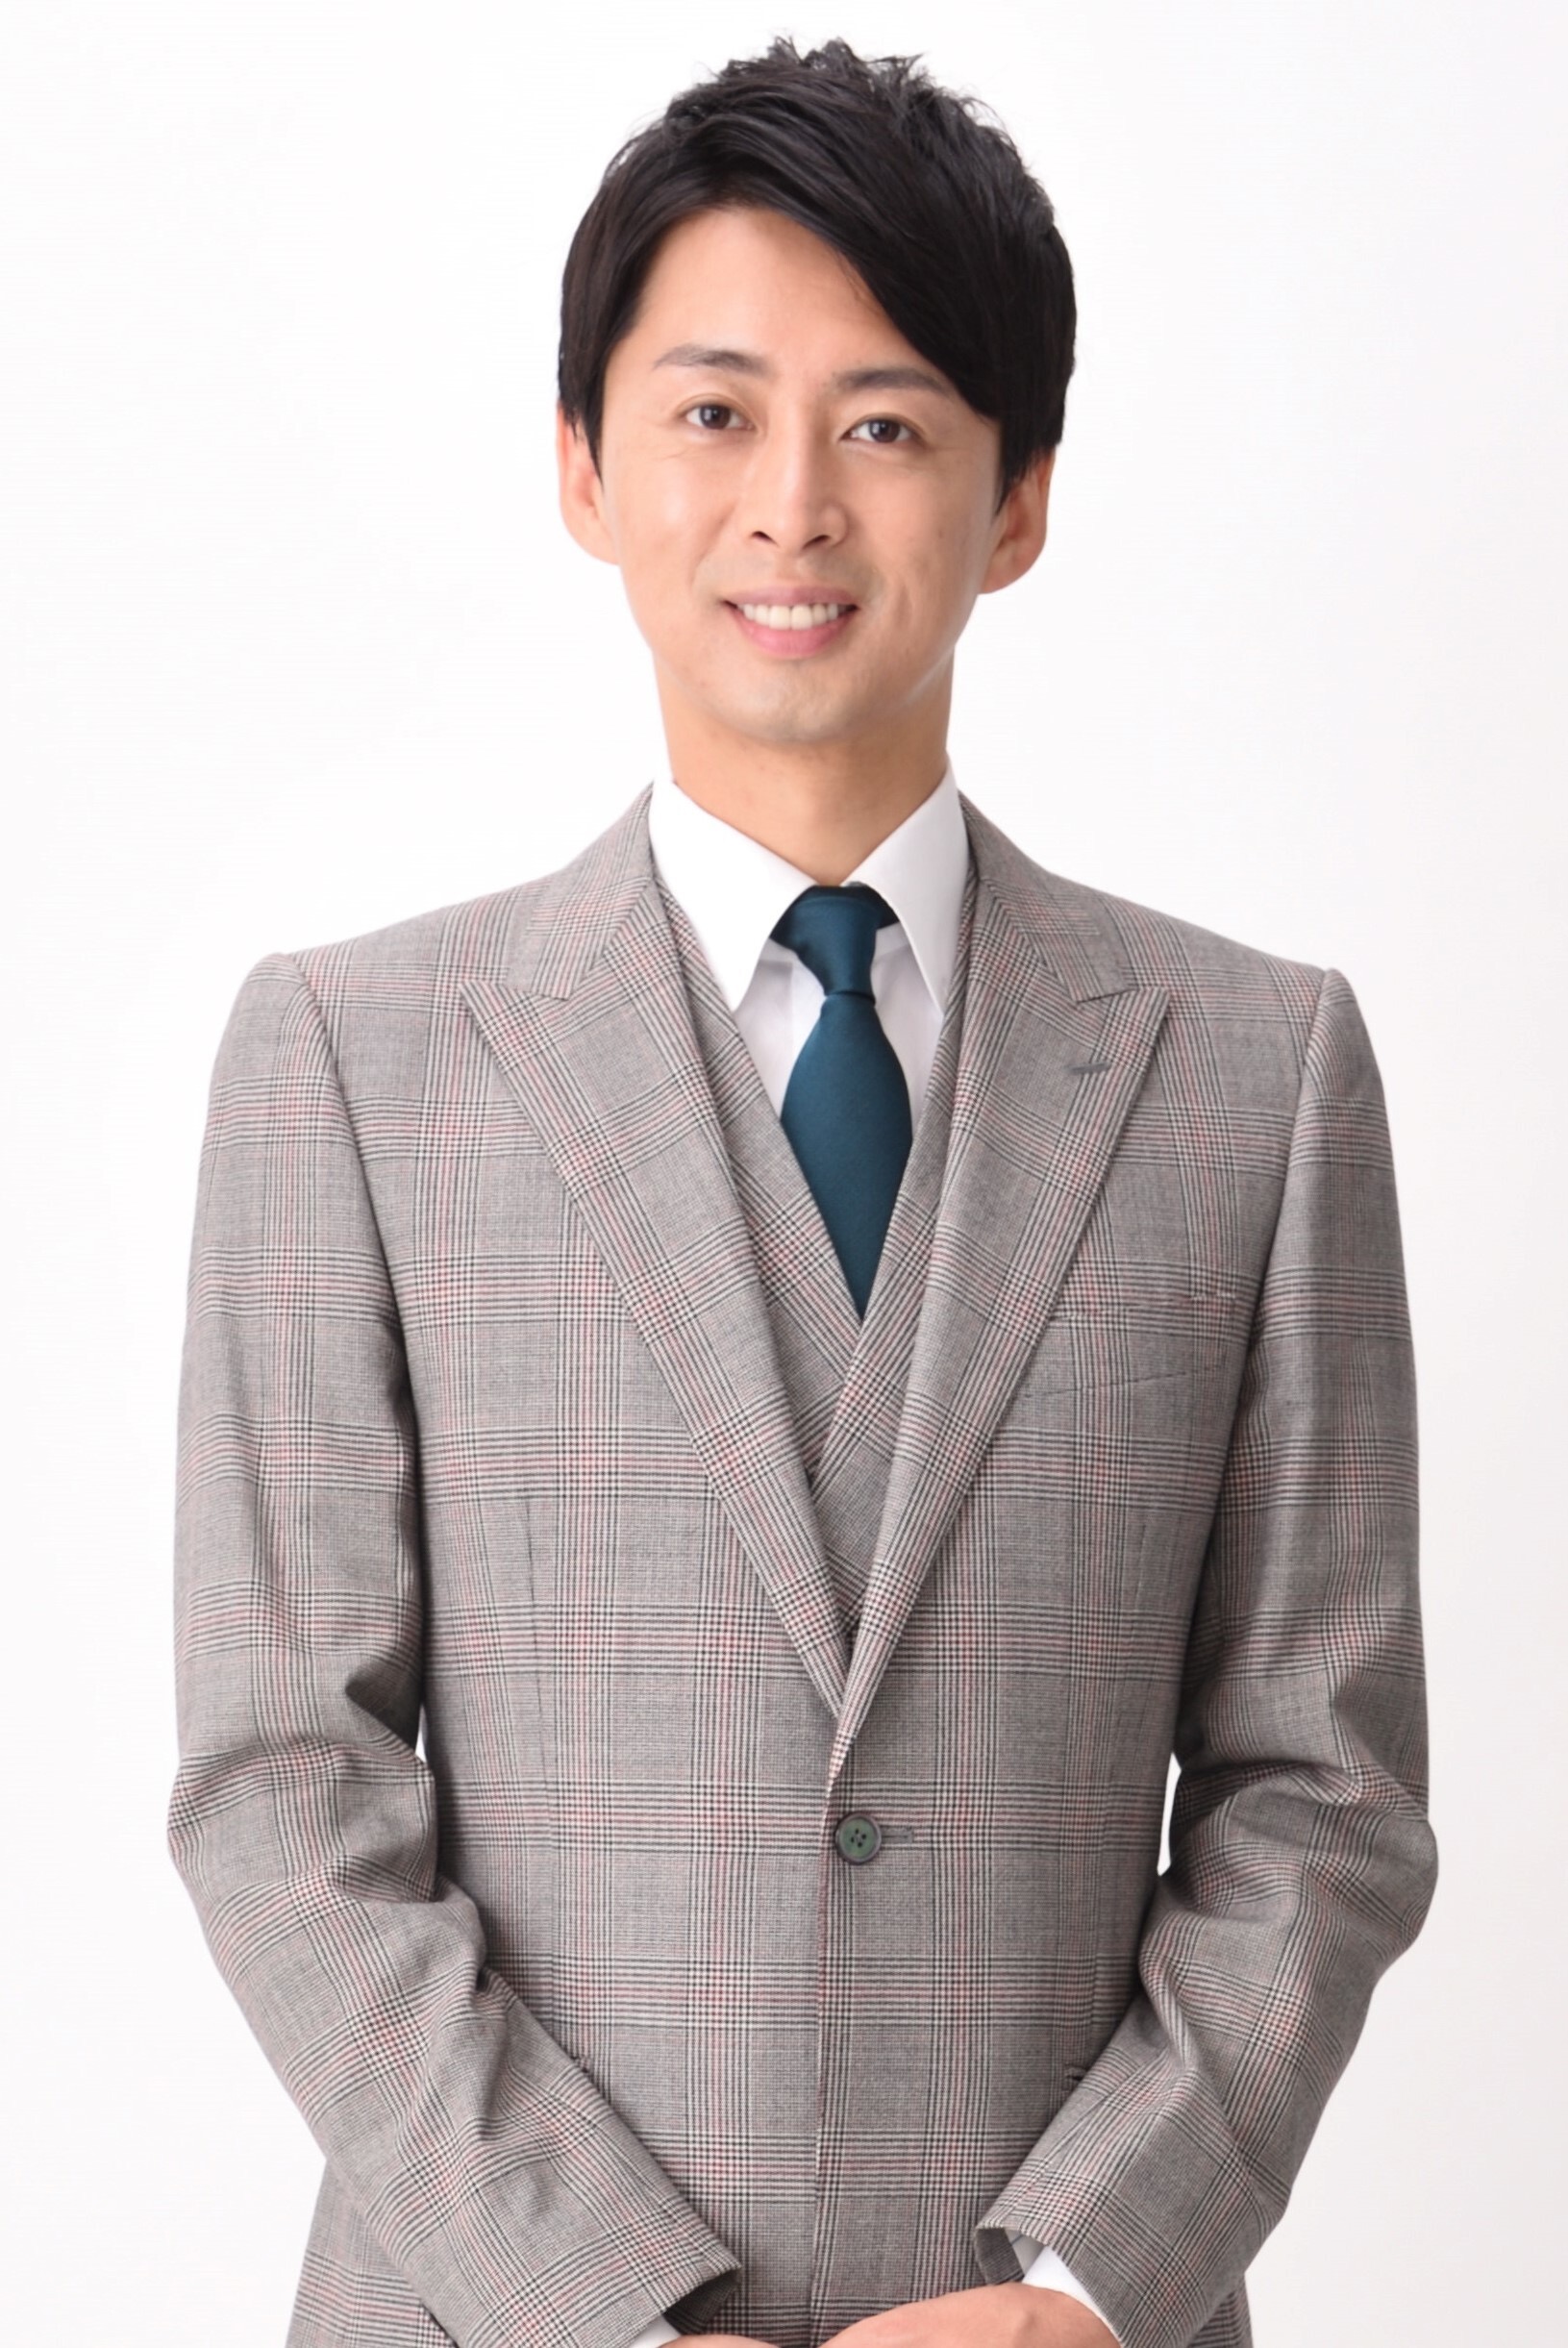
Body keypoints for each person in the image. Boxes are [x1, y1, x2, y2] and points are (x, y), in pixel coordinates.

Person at [168, 37, 1436, 2348]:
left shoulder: (1254, 1076)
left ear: (1017, 498)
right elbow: (284, 1785)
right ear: (584, 467)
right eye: (714, 413)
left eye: (886, 428)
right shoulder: (356, 1063)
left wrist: (1086, 2287)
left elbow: (1322, 1791)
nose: (793, 508)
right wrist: (601, 2307)